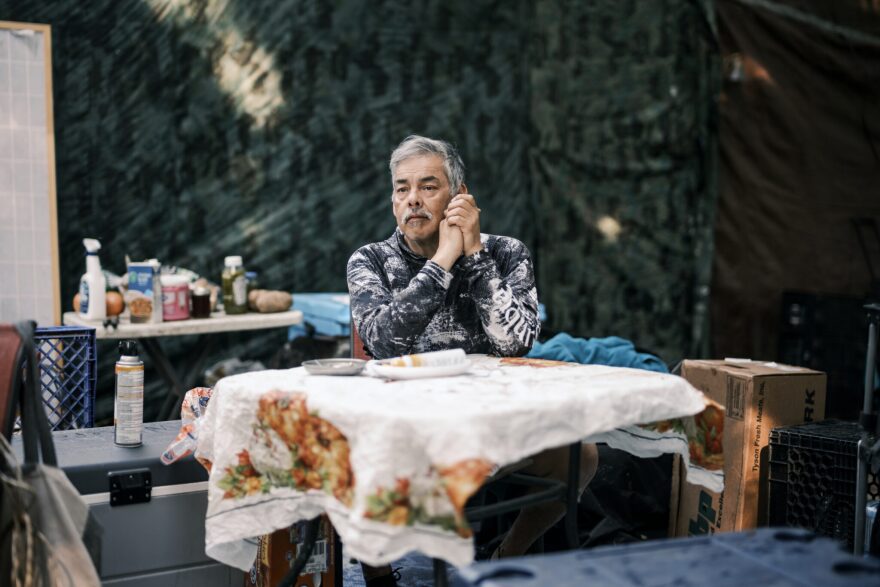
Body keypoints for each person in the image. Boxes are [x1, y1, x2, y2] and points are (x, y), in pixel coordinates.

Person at [347, 135, 598, 586]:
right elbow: (384, 341)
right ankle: (380, 579)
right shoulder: (370, 261)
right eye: (402, 189)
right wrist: (443, 260)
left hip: (490, 426)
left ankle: (503, 556)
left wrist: (475, 253)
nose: (413, 200)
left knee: (580, 454)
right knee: (352, 458)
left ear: (459, 195)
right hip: (405, 433)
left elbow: (516, 343)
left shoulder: (506, 253)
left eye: (428, 186)